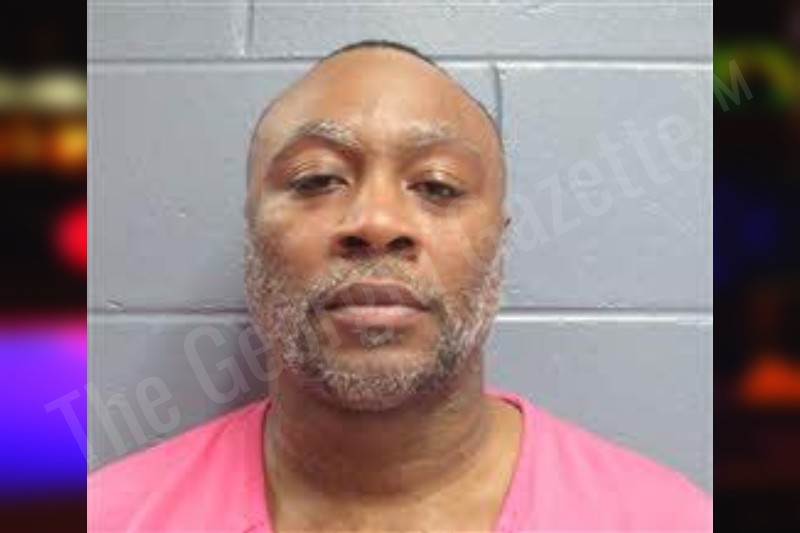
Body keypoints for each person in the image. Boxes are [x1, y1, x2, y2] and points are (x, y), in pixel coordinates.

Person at [88, 40, 711, 532]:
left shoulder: (666, 519)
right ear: (253, 235)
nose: (377, 222)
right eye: (316, 179)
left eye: (437, 186)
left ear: (499, 244)